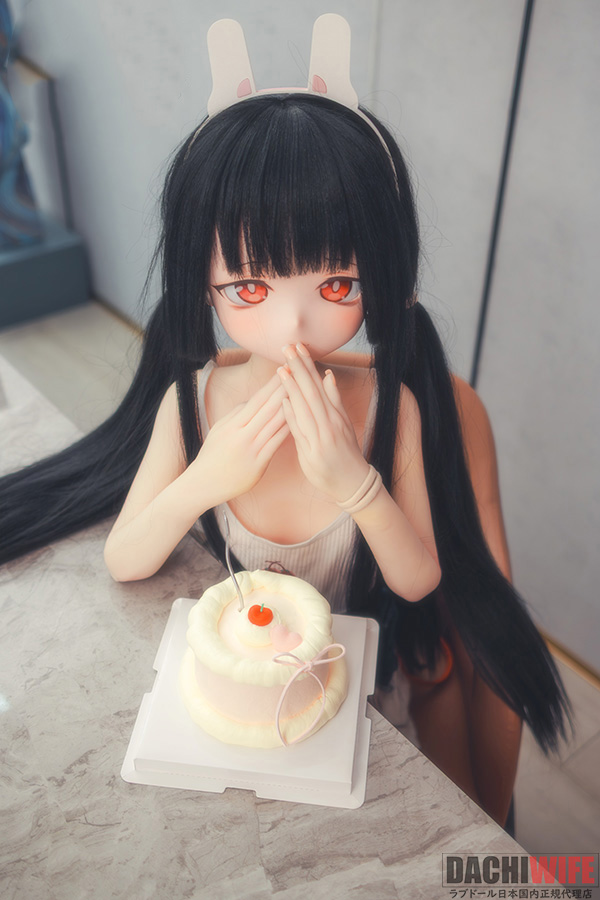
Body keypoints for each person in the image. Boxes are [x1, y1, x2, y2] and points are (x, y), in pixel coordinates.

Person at [0, 16, 571, 830]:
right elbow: (124, 559)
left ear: (384, 278)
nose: (293, 323)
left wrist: (356, 484)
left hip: (353, 698)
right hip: (230, 698)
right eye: (250, 290)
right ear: (203, 280)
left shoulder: (392, 409)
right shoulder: (194, 402)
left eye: (336, 287)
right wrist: (209, 477)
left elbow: (418, 580)